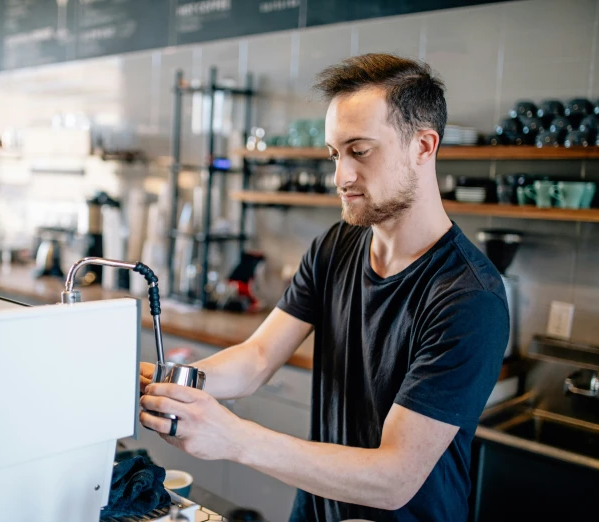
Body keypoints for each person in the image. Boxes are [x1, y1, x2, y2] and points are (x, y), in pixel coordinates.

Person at [139, 54, 509, 521]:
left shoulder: (469, 297)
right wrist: (174, 383)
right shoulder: (336, 245)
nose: (341, 177)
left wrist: (233, 437)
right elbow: (256, 359)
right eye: (335, 154)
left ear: (423, 145)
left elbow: (393, 477)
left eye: (360, 151)